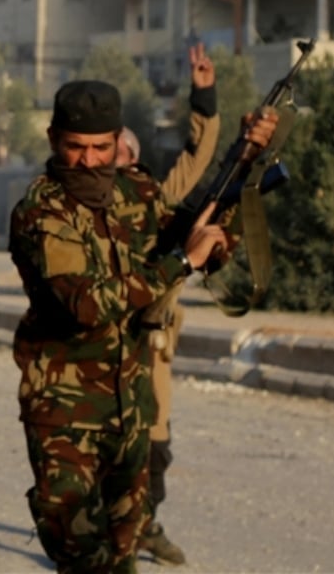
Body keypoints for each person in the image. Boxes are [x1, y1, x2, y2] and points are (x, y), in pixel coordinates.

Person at [7, 78, 276, 574]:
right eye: (76, 148)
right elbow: (86, 305)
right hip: (66, 416)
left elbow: (206, 246)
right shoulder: (40, 212)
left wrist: (246, 164)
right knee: (84, 559)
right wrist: (181, 264)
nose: (88, 161)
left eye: (100, 148)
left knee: (125, 555)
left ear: (117, 144)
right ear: (52, 140)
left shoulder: (139, 192)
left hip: (131, 407)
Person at [115, 43, 222, 567]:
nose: (117, 167)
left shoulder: (156, 200)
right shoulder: (79, 210)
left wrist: (204, 95)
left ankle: (146, 526)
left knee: (156, 444)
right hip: (104, 346)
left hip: (152, 343)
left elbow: (197, 159)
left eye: (124, 158)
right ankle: (109, 537)